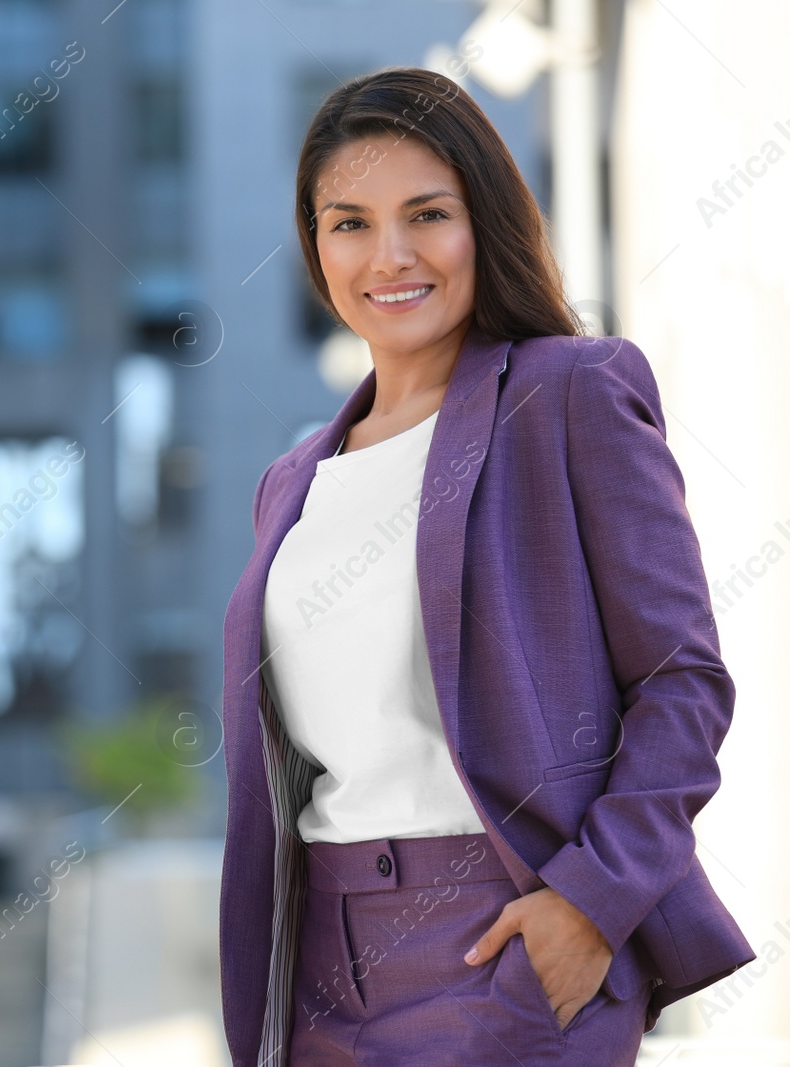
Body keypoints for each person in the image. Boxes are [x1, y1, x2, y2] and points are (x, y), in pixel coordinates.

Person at [218, 66, 755, 1067]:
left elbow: (682, 683)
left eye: (427, 213)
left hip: (505, 941)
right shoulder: (291, 479)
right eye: (349, 222)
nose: (389, 254)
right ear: (313, 243)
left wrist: (587, 907)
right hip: (320, 973)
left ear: (485, 223)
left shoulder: (568, 394)